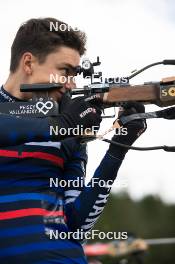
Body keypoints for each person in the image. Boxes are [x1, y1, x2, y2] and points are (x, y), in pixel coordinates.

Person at [0, 18, 146, 263]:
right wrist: (61, 125)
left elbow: (78, 226)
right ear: (28, 63)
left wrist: (118, 148)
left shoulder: (67, 129)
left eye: (75, 75)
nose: (71, 85)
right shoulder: (62, 123)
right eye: (64, 71)